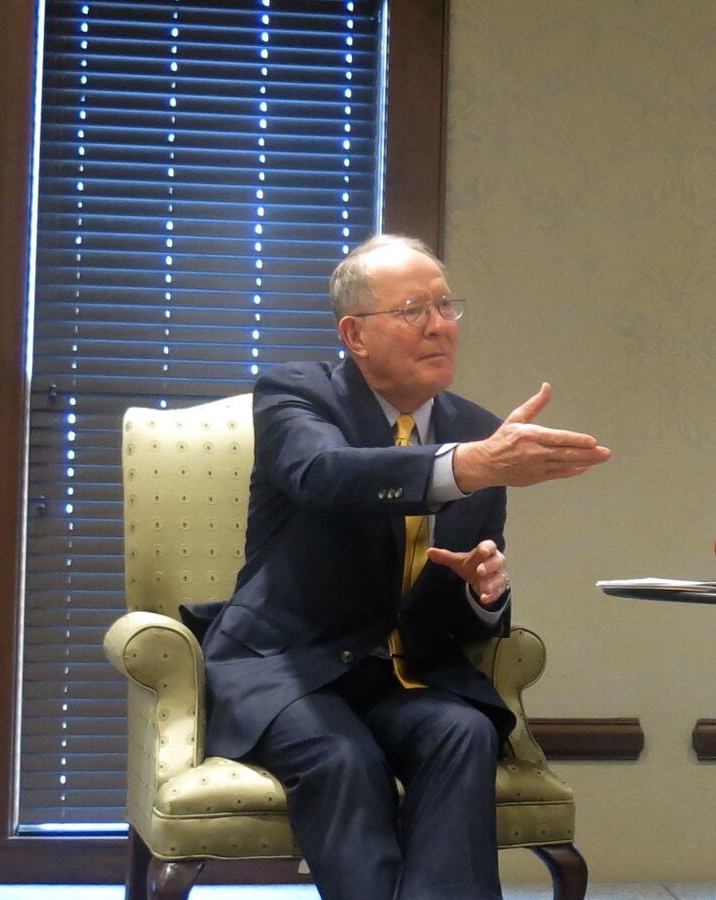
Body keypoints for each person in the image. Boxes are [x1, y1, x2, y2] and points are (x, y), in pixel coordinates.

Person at [197, 234, 612, 899]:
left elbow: (461, 607)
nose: (441, 326)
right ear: (355, 334)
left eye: (448, 307)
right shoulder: (296, 395)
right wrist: (463, 467)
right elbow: (324, 476)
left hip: (402, 674)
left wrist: (483, 591)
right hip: (287, 666)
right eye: (415, 309)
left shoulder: (479, 432)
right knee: (343, 759)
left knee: (463, 731)